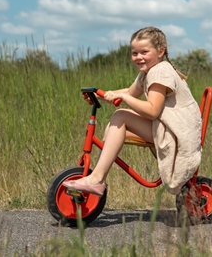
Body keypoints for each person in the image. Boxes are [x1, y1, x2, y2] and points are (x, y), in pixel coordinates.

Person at [62, 26, 202, 196]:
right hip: (167, 127)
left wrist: (127, 100)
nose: (138, 57)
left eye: (144, 52)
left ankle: (97, 179)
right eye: (134, 53)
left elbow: (152, 111)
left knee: (120, 115)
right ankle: (97, 178)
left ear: (160, 51)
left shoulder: (160, 72)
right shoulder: (148, 72)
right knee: (115, 123)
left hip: (177, 133)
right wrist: (103, 94)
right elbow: (129, 92)